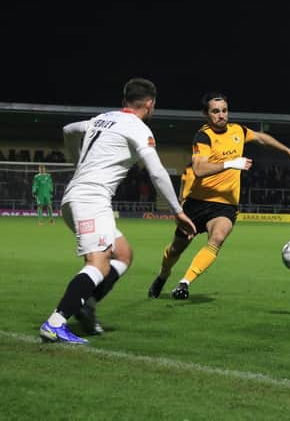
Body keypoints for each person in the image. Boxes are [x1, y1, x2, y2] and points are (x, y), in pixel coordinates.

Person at [39, 78, 196, 344]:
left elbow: (68, 130)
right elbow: (157, 172)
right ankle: (56, 322)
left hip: (75, 197)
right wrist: (177, 210)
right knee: (98, 263)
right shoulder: (137, 128)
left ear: (125, 101)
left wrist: (77, 162)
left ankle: (86, 305)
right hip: (91, 199)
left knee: (123, 253)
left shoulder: (101, 119)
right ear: (150, 104)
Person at [147, 92, 290, 300]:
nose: (221, 115)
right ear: (206, 114)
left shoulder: (238, 130)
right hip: (198, 202)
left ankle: (184, 283)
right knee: (176, 250)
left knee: (217, 238)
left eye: (224, 110)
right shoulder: (203, 136)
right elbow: (200, 169)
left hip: (226, 204)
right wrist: (231, 163)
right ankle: (163, 275)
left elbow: (261, 138)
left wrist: (288, 151)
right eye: (215, 111)